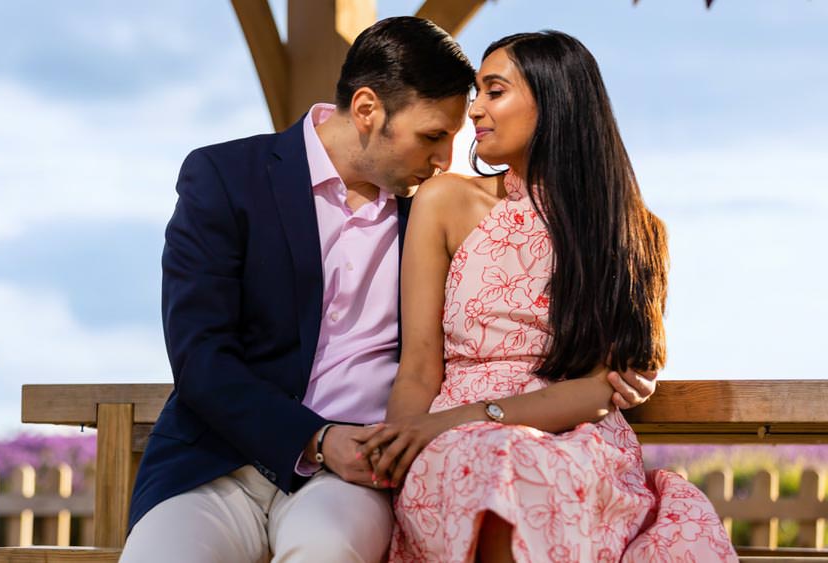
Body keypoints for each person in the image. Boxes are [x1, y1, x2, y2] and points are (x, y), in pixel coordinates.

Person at [121, 19, 658, 563]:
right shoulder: (226, 177)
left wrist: (614, 374)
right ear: (367, 110)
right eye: (432, 136)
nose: (446, 158)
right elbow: (200, 358)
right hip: (219, 465)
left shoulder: (430, 206)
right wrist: (317, 439)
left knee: (328, 550)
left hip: (351, 476)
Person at [359, 31, 735, 562]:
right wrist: (403, 442)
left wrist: (458, 422)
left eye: (494, 92)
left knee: (512, 464)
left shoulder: (632, 232)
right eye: (477, 96)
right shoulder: (444, 201)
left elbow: (605, 387)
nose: (475, 112)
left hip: (575, 437)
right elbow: (419, 364)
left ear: (554, 100)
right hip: (448, 438)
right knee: (483, 463)